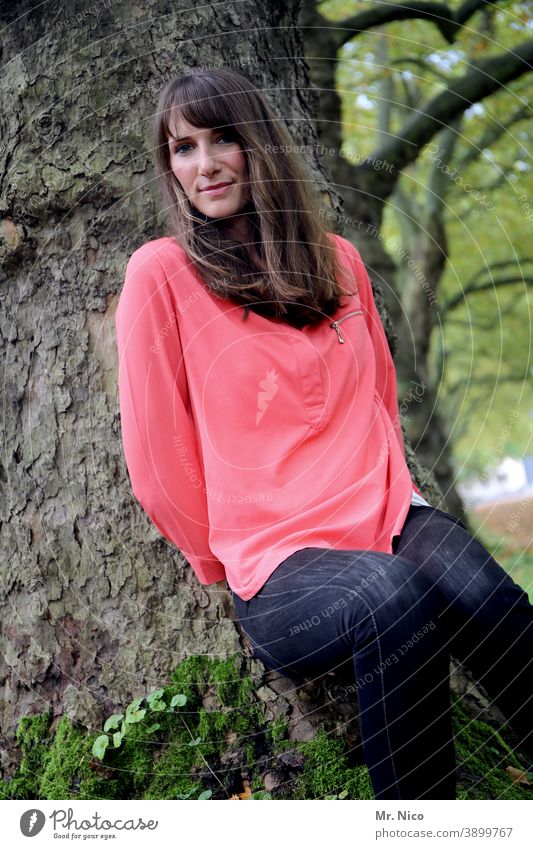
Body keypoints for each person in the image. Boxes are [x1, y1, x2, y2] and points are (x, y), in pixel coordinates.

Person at [114, 68, 533, 800]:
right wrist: (224, 562)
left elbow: (377, 394)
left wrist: (391, 498)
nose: (204, 163)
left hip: (386, 516)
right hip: (276, 564)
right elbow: (156, 463)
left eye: (222, 139)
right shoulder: (162, 274)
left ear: (259, 146)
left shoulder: (337, 261)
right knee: (389, 597)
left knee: (489, 597)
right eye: (182, 148)